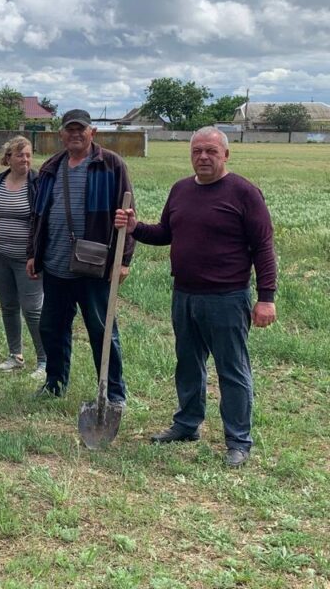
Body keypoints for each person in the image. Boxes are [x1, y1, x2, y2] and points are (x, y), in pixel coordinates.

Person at [115, 127, 277, 468]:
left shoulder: (244, 193)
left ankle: (238, 441)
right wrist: (134, 228)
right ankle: (187, 424)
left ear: (226, 155)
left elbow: (263, 247)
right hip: (185, 295)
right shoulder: (180, 190)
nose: (203, 157)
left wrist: (266, 297)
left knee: (232, 370)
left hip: (227, 298)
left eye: (211, 152)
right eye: (197, 152)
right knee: (188, 364)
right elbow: (165, 234)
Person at [28, 109, 135, 401]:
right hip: (55, 265)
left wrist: (123, 260)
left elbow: (128, 218)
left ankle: (114, 392)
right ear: (61, 134)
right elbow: (38, 216)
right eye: (69, 130)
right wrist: (33, 255)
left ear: (92, 133)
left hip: (95, 268)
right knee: (52, 328)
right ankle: (55, 383)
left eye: (81, 130)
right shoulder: (51, 167)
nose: (75, 134)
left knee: (102, 331)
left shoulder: (111, 164)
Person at [0, 136, 46, 379]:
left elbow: (44, 221)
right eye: (20, 154)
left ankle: (45, 360)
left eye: (28, 154)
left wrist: (39, 254)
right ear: (8, 157)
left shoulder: (38, 183)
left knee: (33, 310)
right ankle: (15, 355)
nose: (25, 159)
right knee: (8, 306)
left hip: (28, 259)